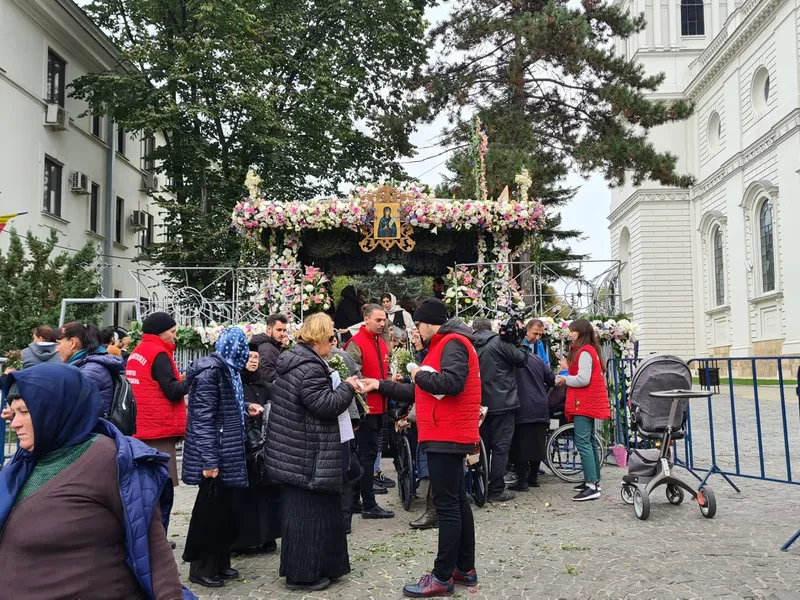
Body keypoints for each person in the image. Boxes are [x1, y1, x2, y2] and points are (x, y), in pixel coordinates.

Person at [0, 364, 191, 600]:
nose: (14, 422)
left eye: (25, 412)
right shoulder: (25, 461)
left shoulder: (110, 460)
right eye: (13, 412)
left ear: (57, 410)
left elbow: (152, 550)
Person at [363, 298, 481, 597]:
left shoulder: (452, 343)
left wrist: (418, 373)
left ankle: (442, 577)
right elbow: (421, 391)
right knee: (457, 502)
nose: (417, 331)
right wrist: (379, 385)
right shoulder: (447, 344)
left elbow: (450, 383)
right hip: (448, 431)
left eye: (418, 325)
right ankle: (464, 568)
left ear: (427, 322)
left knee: (447, 506)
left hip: (447, 432)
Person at [266, 313, 359, 591]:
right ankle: (302, 574)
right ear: (318, 337)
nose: (333, 342)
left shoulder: (297, 361)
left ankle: (324, 566)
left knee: (317, 513)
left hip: (300, 451)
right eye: (330, 337)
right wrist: (348, 387)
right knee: (306, 517)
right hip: (306, 455)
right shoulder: (308, 367)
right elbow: (325, 405)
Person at [182, 327, 264, 588]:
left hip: (228, 449)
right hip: (216, 453)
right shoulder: (211, 373)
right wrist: (209, 461)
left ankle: (220, 563)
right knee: (209, 514)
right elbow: (202, 420)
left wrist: (244, 408)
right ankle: (201, 568)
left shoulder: (228, 370)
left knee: (226, 511)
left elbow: (224, 406)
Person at [126, 312, 188, 533]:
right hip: (158, 430)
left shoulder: (137, 352)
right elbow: (171, 391)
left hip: (140, 426)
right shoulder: (159, 353)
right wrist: (189, 379)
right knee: (163, 489)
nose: (174, 336)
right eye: (172, 332)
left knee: (145, 487)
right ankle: (158, 536)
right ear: (161, 333)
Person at [345, 304, 395, 519]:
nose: (382, 324)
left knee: (367, 454)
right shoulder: (355, 343)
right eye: (378, 320)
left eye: (384, 320)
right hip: (367, 408)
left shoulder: (381, 344)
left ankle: (357, 500)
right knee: (367, 455)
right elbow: (352, 376)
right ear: (366, 319)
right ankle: (368, 503)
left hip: (380, 405)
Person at [231, 346, 281, 555]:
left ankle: (266, 536)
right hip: (242, 447)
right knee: (243, 495)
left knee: (265, 492)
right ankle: (242, 541)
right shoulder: (235, 383)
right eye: (250, 357)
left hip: (263, 446)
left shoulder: (265, 386)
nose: (253, 361)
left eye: (257, 357)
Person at [472, 317, 528, 502]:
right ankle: (496, 488)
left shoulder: (468, 344)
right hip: (503, 403)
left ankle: (478, 486)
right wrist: (518, 340)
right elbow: (521, 359)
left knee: (481, 447)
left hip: (477, 404)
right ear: (489, 328)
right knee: (500, 448)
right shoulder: (499, 342)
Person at [555, 319, 610, 502]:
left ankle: (591, 486)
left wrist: (565, 380)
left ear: (581, 332)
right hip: (588, 402)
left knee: (583, 442)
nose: (570, 334)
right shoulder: (590, 350)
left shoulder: (585, 352)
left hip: (583, 402)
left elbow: (583, 379)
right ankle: (593, 479)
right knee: (590, 441)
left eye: (573, 331)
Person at [56, 322, 124, 416]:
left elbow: (69, 410)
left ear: (73, 343)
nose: (57, 350)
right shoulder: (88, 366)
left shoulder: (90, 371)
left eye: (58, 343)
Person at [509, 353, 555, 491]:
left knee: (520, 445)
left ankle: (522, 481)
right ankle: (533, 477)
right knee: (537, 444)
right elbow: (551, 379)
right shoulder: (537, 359)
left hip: (521, 404)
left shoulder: (510, 360)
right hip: (540, 405)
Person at [250, 313, 288, 382]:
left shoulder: (271, 345)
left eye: (284, 330)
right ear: (269, 329)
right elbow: (266, 375)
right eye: (279, 330)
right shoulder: (267, 349)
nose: (282, 334)